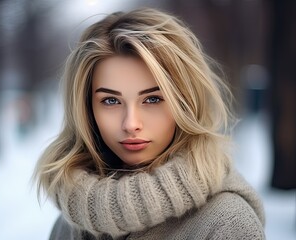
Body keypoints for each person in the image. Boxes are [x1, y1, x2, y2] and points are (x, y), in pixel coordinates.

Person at [34, 8, 265, 239]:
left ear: (185, 103)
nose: (131, 124)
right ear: (87, 109)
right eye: (111, 100)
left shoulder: (227, 223)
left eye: (153, 99)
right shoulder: (71, 225)